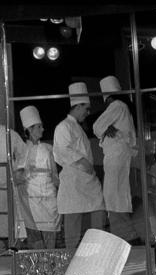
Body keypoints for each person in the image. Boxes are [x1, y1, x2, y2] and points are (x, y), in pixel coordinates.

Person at [53, 82, 106, 250]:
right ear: (77, 106)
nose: (88, 113)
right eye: (86, 108)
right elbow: (62, 149)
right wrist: (83, 162)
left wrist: (88, 168)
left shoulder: (78, 127)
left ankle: (98, 246)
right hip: (73, 179)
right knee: (73, 217)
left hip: (86, 178)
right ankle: (70, 252)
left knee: (99, 206)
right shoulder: (63, 126)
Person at [92, 75, 139, 243]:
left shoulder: (117, 105)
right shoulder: (125, 109)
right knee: (119, 194)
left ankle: (124, 236)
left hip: (115, 156)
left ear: (109, 98)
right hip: (122, 156)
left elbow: (96, 126)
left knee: (112, 196)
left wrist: (106, 128)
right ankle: (127, 235)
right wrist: (110, 128)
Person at [0, 96, 28, 250]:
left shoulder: (8, 133)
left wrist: (19, 170)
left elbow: (23, 153)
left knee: (8, 218)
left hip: (6, 183)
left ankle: (9, 246)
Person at [17, 106, 60, 249]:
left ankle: (51, 261)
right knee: (35, 233)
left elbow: (54, 174)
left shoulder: (48, 148)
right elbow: (18, 177)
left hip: (50, 195)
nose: (42, 129)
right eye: (39, 127)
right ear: (30, 129)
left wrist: (60, 189)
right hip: (32, 197)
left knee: (51, 229)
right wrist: (28, 172)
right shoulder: (23, 149)